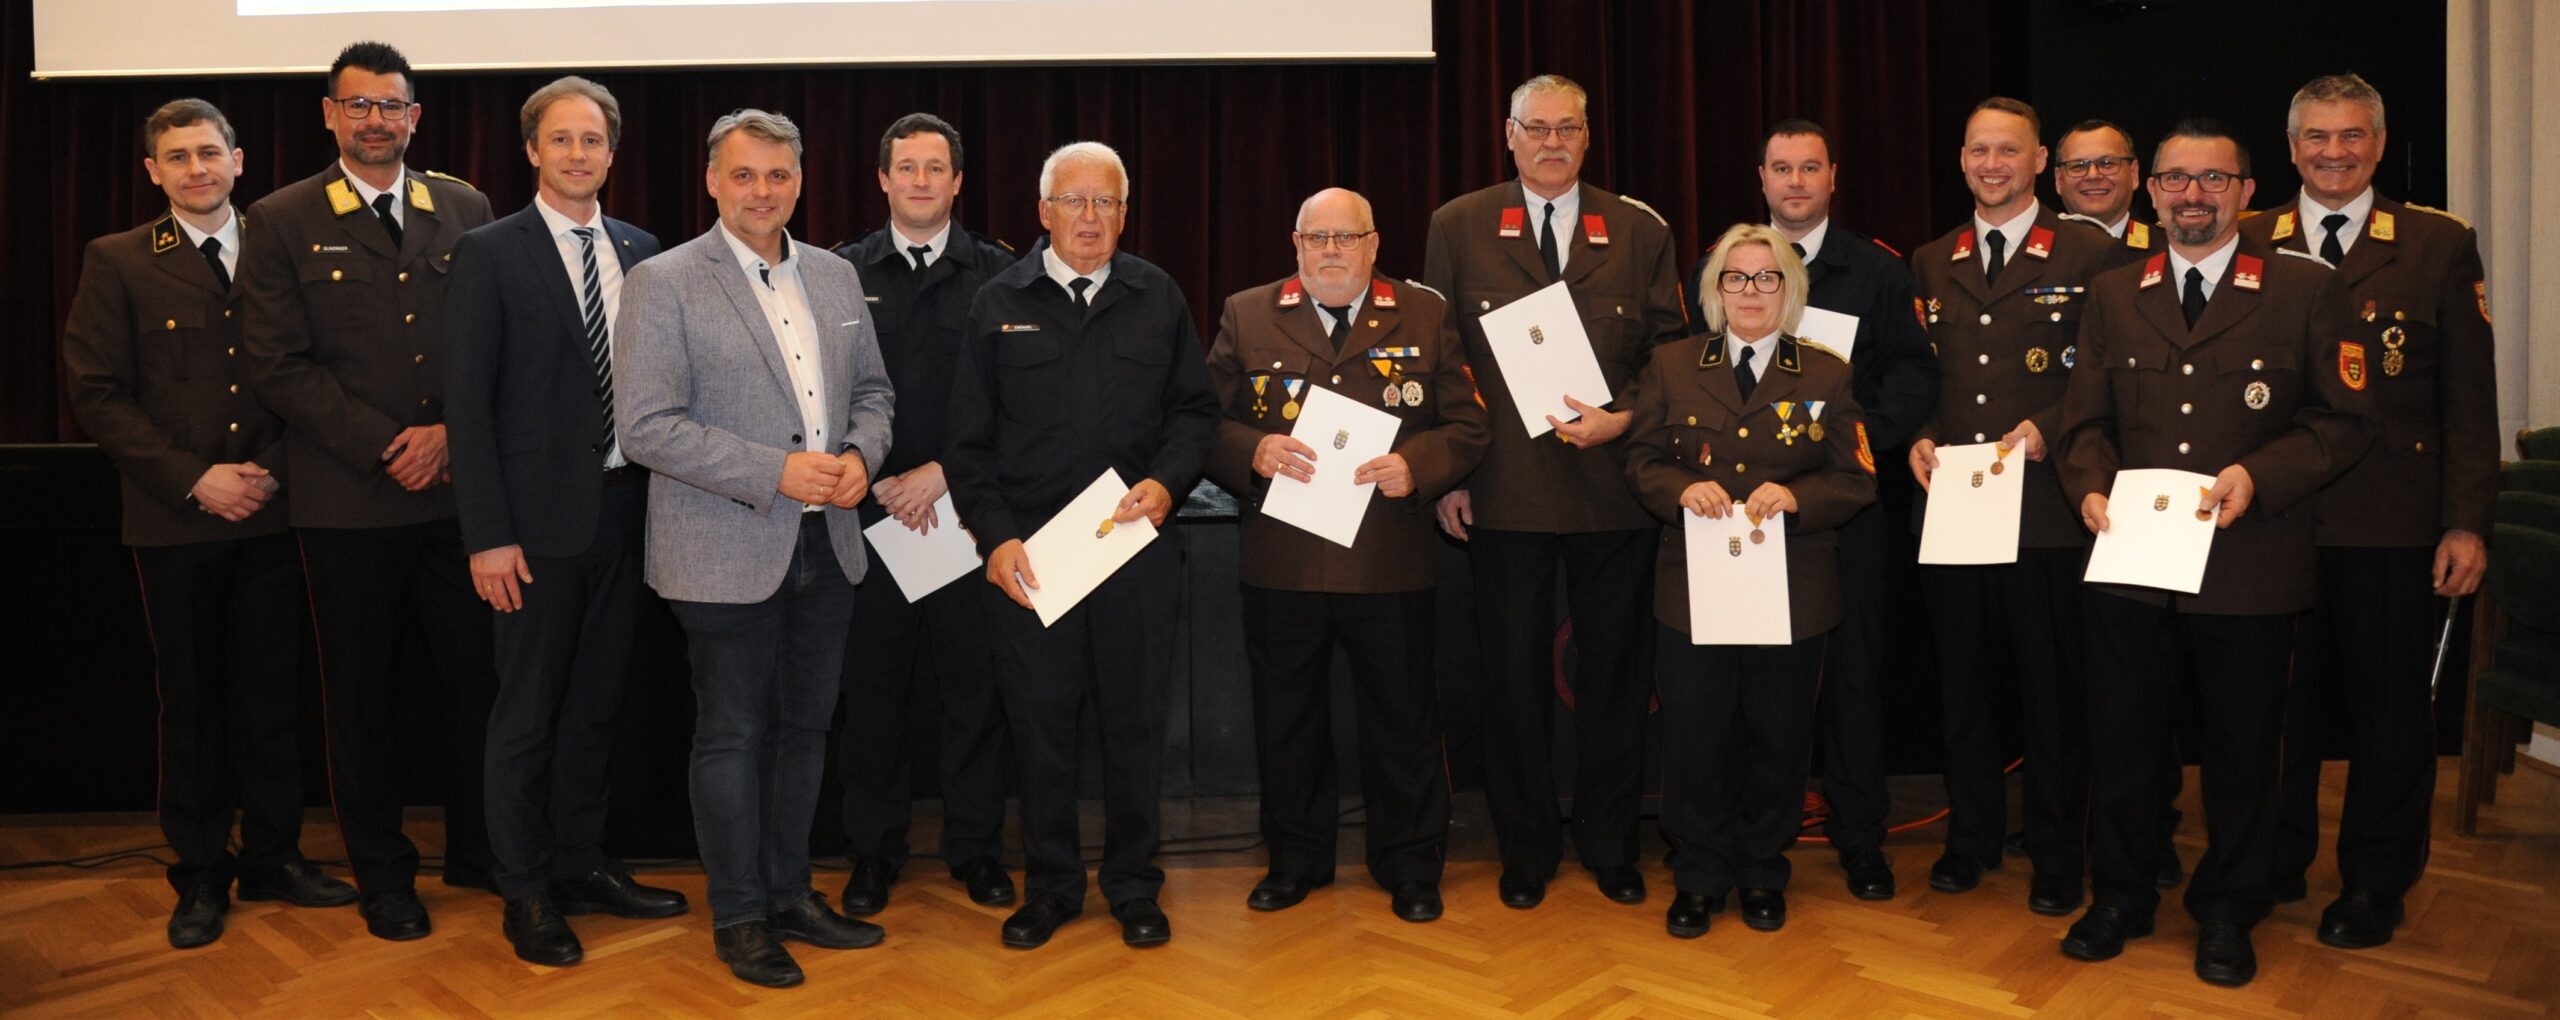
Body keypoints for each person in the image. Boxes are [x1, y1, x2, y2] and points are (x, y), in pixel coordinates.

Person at [2052, 119, 2372, 987]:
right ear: (2151, 191)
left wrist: (2259, 476)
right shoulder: (2115, 291)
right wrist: (2088, 486)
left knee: (2243, 753)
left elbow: (2345, 421)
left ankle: (2230, 909)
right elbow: (2083, 422)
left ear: (2246, 192)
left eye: (2213, 180)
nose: (2192, 196)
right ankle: (2120, 896)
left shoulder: (2306, 289)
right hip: (2130, 563)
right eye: (2175, 180)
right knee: (2123, 744)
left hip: (2250, 562)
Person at [61, 97, 358, 949]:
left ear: (238, 161)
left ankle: (274, 857)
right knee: (192, 704)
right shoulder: (118, 259)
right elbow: (97, 394)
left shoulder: (284, 246)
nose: (197, 168)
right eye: (178, 156)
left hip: (275, 511)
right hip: (176, 520)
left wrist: (273, 472)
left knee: (273, 699)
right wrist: (195, 480)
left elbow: (319, 372)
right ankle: (198, 874)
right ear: (152, 172)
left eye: (209, 152)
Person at [613, 108, 896, 988]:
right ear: (712, 181)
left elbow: (875, 393)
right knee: (733, 735)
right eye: (743, 175)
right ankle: (739, 915)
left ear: (800, 182)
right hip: (720, 548)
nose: (761, 192)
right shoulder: (663, 281)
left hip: (829, 545)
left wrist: (861, 457)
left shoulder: (836, 276)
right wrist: (776, 471)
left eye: (777, 175)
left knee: (805, 731)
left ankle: (789, 893)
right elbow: (646, 427)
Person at [236, 40, 497, 941]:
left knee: (478, 686)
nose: (375, 120)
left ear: (414, 116)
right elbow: (276, 365)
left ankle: (481, 851)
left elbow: (492, 342)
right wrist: (388, 445)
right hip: (349, 503)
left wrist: (452, 433)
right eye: (359, 105)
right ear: (330, 114)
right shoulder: (280, 217)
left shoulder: (464, 207)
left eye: (391, 105)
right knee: (361, 702)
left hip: (457, 496)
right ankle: (384, 875)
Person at [943, 140, 1218, 950]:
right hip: (1032, 562)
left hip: (1133, 552)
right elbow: (967, 443)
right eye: (1073, 201)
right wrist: (995, 538)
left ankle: (1133, 885)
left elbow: (1195, 412)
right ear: (1044, 212)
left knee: (1134, 728)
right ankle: (1053, 887)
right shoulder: (997, 300)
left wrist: (1167, 483)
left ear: (1125, 214)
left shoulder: (1157, 295)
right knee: (1040, 731)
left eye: (1105, 202)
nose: (1089, 217)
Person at [1421, 73, 1686, 910]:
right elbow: (1441, 359)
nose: (1551, 143)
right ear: (1508, 134)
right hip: (1503, 491)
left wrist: (1626, 418)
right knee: (1511, 681)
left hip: (1615, 488)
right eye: (1535, 128)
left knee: (1616, 678)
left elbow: (1670, 356)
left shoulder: (1639, 229)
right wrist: (1450, 474)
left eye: (1567, 128)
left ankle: (1611, 845)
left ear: (1588, 135)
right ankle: (1526, 849)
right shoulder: (1458, 225)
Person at [2247, 73, 2498, 950]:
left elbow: (2469, 400)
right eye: (2317, 137)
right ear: (2291, 149)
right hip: (2273, 522)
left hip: (2392, 523)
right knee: (2275, 708)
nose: (2335, 153)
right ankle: (2274, 859)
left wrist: (2466, 522)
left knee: (2390, 714)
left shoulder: (2436, 244)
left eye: (2352, 135)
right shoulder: (2250, 238)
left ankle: (2374, 883)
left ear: (2380, 145)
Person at [442, 75, 686, 967]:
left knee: (596, 709)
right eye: (561, 139)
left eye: (592, 140)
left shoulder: (644, 251)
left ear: (612, 154)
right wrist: (486, 535)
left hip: (628, 515)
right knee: (528, 717)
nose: (577, 153)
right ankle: (525, 888)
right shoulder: (488, 253)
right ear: (532, 151)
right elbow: (467, 407)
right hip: (531, 534)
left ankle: (583, 864)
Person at [1202, 187, 1488, 923]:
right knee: (1287, 719)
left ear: (1373, 243)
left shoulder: (1422, 313)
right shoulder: (1247, 312)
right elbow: (1201, 422)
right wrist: (1251, 450)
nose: (1331, 250)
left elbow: (1468, 425)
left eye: (1346, 237)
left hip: (1387, 557)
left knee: (1403, 721)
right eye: (1317, 237)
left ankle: (1411, 864)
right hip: (1284, 560)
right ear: (1296, 244)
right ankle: (1295, 861)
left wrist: (1417, 465)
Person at [1684, 119, 1940, 900]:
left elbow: (1912, 377)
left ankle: (1860, 837)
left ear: (1833, 177)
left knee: (1852, 677)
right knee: (1737, 685)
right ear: (1760, 179)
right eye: (1781, 168)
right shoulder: (1719, 269)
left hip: (1842, 513)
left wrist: (1846, 441)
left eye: (1809, 168)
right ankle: (1726, 843)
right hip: (1734, 518)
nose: (1795, 182)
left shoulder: (1878, 271)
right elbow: (1689, 379)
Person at [1627, 223, 1876, 937]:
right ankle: (1699, 874)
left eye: (1768, 278)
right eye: (1735, 278)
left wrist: (1800, 497)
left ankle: (1764, 869)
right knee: (1694, 734)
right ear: (1715, 291)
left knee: (1779, 735)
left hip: (1792, 588)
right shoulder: (1673, 365)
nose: (1751, 292)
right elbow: (1641, 460)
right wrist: (1680, 488)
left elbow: (1857, 476)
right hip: (1695, 586)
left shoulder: (1826, 372)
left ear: (1790, 290)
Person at [1907, 97, 2115, 915]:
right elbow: (1922, 376)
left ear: (2038, 163)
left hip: (2047, 513)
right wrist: (1921, 435)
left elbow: (2107, 374)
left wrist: (2051, 428)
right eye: (1978, 151)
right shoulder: (1933, 259)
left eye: (2008, 151)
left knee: (2052, 695)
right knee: (1963, 690)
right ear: (1962, 161)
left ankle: (2059, 853)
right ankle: (1972, 839)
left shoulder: (2090, 252)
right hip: (1957, 510)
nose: (1992, 165)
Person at [827, 112, 1018, 919]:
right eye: (906, 167)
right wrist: (874, 474)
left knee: (975, 689)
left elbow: (1020, 399)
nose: (920, 181)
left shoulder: (1002, 272)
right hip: (869, 515)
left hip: (966, 517)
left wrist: (943, 475)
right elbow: (820, 390)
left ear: (958, 182)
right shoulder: (838, 271)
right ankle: (874, 851)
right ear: (882, 179)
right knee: (873, 694)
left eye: (935, 168)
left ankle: (976, 848)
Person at [2052, 119, 2158, 266]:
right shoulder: (2033, 255)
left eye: (2107, 163)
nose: (2093, 175)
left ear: (2134, 174)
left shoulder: (2169, 251)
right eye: (2078, 166)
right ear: (2058, 180)